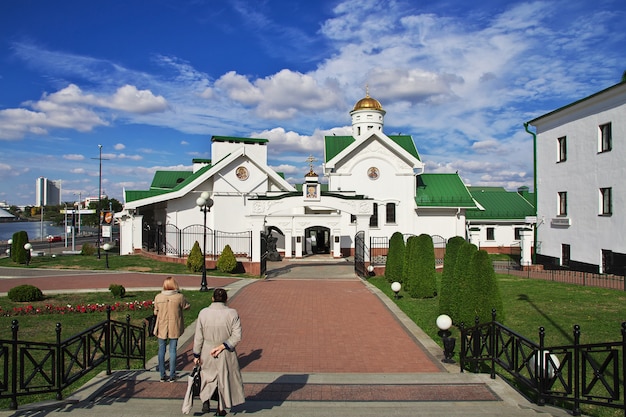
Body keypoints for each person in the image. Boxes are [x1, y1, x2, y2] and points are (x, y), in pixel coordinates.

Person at [193, 288, 245, 416]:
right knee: (224, 378)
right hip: (225, 351)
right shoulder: (232, 313)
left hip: (207, 349)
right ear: (226, 299)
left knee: (207, 376)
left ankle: (205, 399)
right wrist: (222, 346)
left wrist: (196, 354)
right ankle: (220, 407)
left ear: (212, 298)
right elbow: (237, 336)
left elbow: (199, 336)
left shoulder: (203, 313)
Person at [154, 276, 190, 382]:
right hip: (174, 325)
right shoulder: (179, 297)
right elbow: (186, 306)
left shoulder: (158, 297)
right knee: (173, 350)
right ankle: (172, 375)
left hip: (162, 326)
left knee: (161, 350)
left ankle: (162, 374)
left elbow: (155, 311)